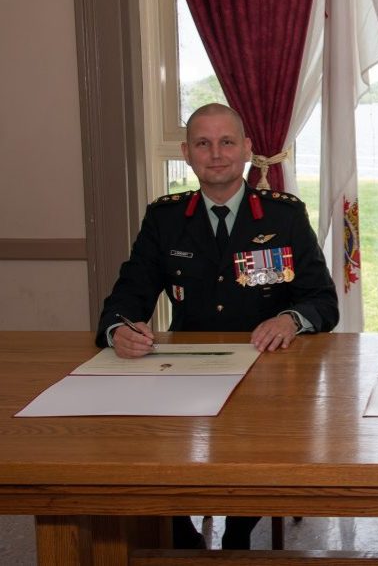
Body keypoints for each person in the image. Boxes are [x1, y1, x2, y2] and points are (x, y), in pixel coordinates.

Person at [96, 103, 339, 550]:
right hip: (187, 372)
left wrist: (290, 318)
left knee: (259, 448)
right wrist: (119, 329)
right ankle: (184, 541)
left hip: (266, 372)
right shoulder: (165, 217)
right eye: (203, 144)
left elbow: (322, 300)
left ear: (247, 149)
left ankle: (239, 537)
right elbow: (130, 293)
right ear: (187, 154)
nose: (216, 154)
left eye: (227, 142)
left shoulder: (283, 215)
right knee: (140, 450)